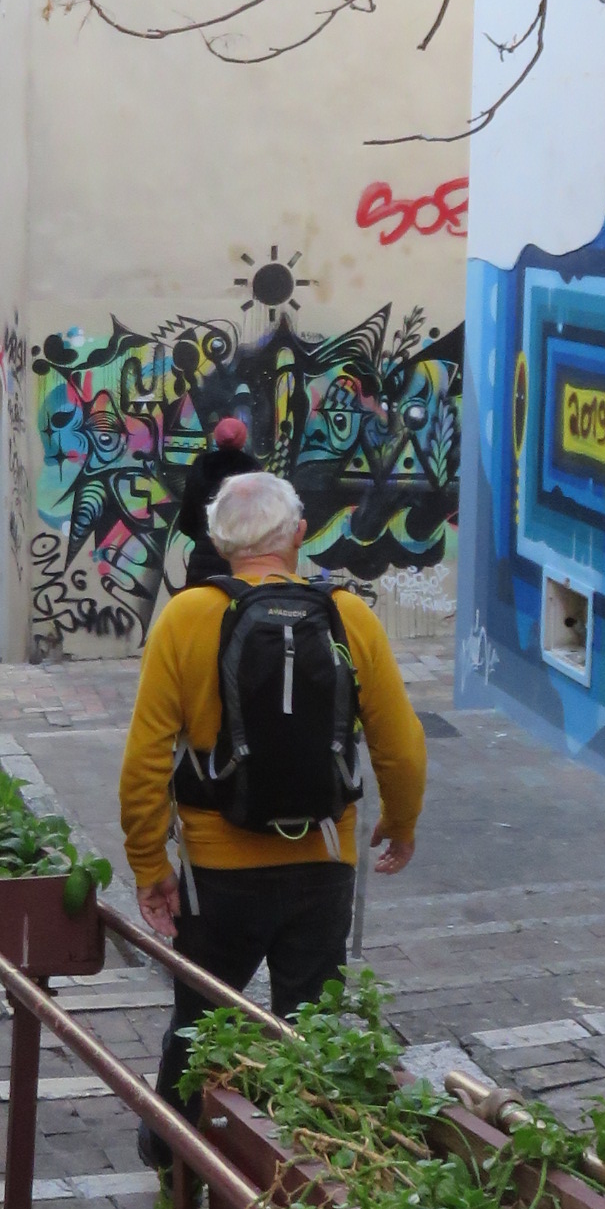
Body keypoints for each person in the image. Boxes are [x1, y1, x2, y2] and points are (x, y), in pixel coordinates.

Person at [119, 469, 426, 1164]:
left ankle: (172, 1153)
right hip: (324, 859)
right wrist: (401, 821)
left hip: (217, 871)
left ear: (220, 541)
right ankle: (306, 1165)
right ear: (297, 534)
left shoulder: (186, 618)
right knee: (312, 1027)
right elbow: (401, 744)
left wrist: (149, 864)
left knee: (201, 1019)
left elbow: (144, 760)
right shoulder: (348, 615)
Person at [172, 412, 257, 587]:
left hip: (203, 562)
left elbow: (186, 522)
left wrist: (204, 537)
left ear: (217, 439)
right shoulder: (253, 470)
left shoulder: (200, 467)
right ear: (243, 439)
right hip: (242, 563)